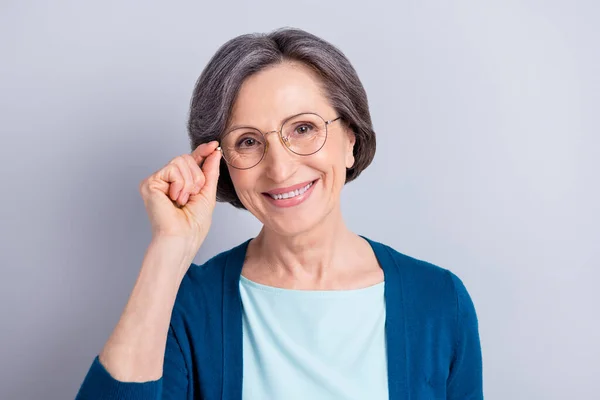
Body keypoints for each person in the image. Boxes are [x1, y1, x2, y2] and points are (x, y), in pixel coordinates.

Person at [76, 28, 483, 399]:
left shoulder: (440, 302)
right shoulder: (186, 304)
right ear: (221, 165)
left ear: (350, 141)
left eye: (303, 128)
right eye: (249, 141)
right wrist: (169, 248)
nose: (280, 168)